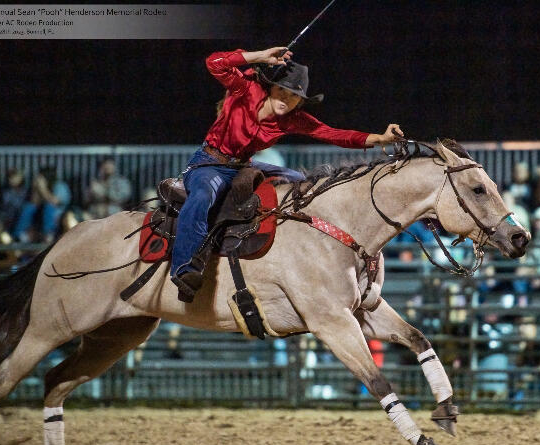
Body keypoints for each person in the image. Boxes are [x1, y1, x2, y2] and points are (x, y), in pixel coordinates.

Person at [169, 46, 405, 301]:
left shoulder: (292, 119)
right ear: (270, 87)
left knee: (302, 183)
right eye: (282, 89)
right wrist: (259, 56)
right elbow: (214, 62)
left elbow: (334, 134)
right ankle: (185, 269)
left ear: (300, 101)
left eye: (294, 95)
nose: (287, 98)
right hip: (209, 164)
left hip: (243, 166)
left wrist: (380, 138)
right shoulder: (245, 89)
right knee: (202, 196)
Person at [12, 165, 71, 243]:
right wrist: (35, 190)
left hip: (57, 217)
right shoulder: (40, 187)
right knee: (28, 207)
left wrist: (43, 189)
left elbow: (54, 202)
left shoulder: (60, 186)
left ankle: (48, 236)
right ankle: (18, 237)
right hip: (39, 216)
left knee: (48, 207)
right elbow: (33, 203)